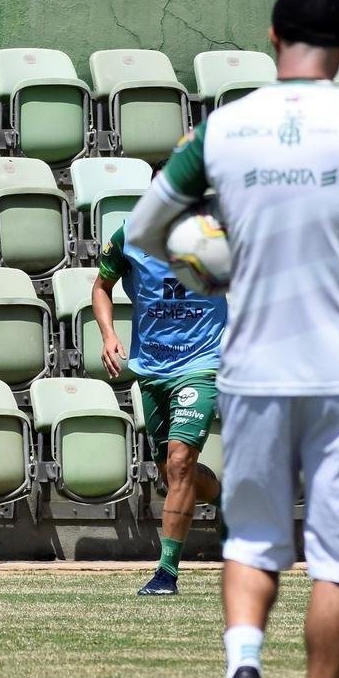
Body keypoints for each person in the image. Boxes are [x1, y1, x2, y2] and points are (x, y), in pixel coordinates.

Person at [126, 0, 339, 678]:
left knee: (254, 543)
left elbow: (143, 227)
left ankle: (244, 665)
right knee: (337, 558)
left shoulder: (224, 130)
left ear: (272, 37)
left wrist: (210, 263)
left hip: (254, 365)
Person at [93, 224, 225, 596]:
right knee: (171, 473)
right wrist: (108, 333)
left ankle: (166, 573)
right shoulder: (129, 236)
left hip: (201, 364)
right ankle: (223, 500)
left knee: (181, 462)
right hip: (151, 369)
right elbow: (101, 286)